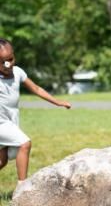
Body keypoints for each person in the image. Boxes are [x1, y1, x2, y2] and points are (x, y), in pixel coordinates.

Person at [0, 38, 71, 184]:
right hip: (1, 124)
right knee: (24, 144)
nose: (8, 64)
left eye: (11, 59)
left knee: (2, 160)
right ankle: (23, 188)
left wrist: (58, 102)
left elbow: (37, 89)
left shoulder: (18, 72)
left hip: (11, 121)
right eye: (3, 62)